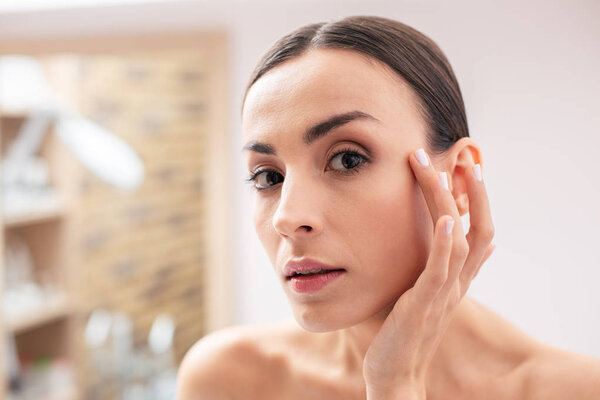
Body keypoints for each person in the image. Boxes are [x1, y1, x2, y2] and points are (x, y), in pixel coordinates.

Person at [176, 15, 600, 399]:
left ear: (457, 180)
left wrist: (395, 387)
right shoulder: (230, 379)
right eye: (269, 177)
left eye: (347, 159)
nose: (288, 218)